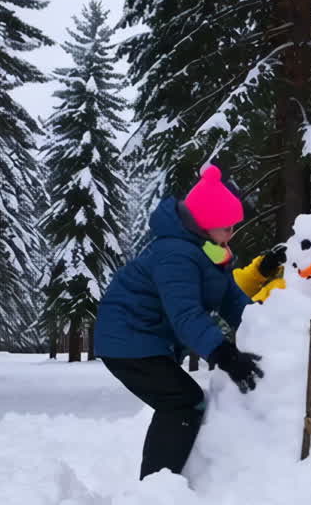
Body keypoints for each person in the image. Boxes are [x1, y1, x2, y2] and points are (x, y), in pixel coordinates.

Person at [95, 165, 265, 479]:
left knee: (181, 401)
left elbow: (231, 299)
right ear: (205, 224)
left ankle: (162, 481)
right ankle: (156, 488)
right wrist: (223, 354)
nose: (232, 234)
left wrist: (268, 322)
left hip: (145, 341)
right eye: (227, 227)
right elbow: (186, 314)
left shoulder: (210, 252)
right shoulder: (175, 254)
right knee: (182, 402)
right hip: (128, 340)